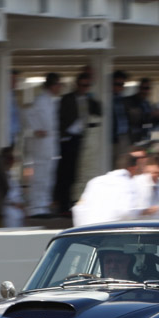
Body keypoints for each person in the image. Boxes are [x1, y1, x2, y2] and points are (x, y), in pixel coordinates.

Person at [55, 72, 101, 215]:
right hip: (69, 139)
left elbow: (99, 112)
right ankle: (63, 205)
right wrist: (64, 135)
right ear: (77, 84)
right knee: (67, 173)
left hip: (83, 139)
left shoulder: (90, 100)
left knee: (79, 173)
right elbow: (60, 118)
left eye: (87, 85)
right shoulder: (67, 99)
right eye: (82, 85)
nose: (84, 88)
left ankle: (74, 201)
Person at [73, 152, 159, 226]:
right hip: (110, 233)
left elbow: (78, 209)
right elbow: (127, 211)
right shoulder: (128, 183)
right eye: (138, 166)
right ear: (132, 168)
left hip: (87, 231)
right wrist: (145, 211)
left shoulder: (95, 181)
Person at [24, 73, 63, 218]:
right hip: (42, 145)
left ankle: (44, 204)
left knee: (48, 177)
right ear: (52, 85)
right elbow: (28, 114)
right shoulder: (40, 101)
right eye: (58, 84)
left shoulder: (51, 101)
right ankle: (36, 206)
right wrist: (35, 130)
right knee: (40, 176)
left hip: (50, 144)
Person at [125, 77, 156, 143]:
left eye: (147, 88)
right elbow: (135, 120)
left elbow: (150, 122)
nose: (145, 91)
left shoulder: (147, 103)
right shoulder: (130, 101)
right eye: (143, 88)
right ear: (139, 88)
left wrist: (158, 117)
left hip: (146, 137)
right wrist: (150, 115)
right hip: (134, 138)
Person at [111, 71, 131, 153]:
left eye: (122, 84)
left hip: (123, 136)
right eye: (118, 84)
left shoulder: (123, 99)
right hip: (112, 139)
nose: (120, 87)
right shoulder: (106, 98)